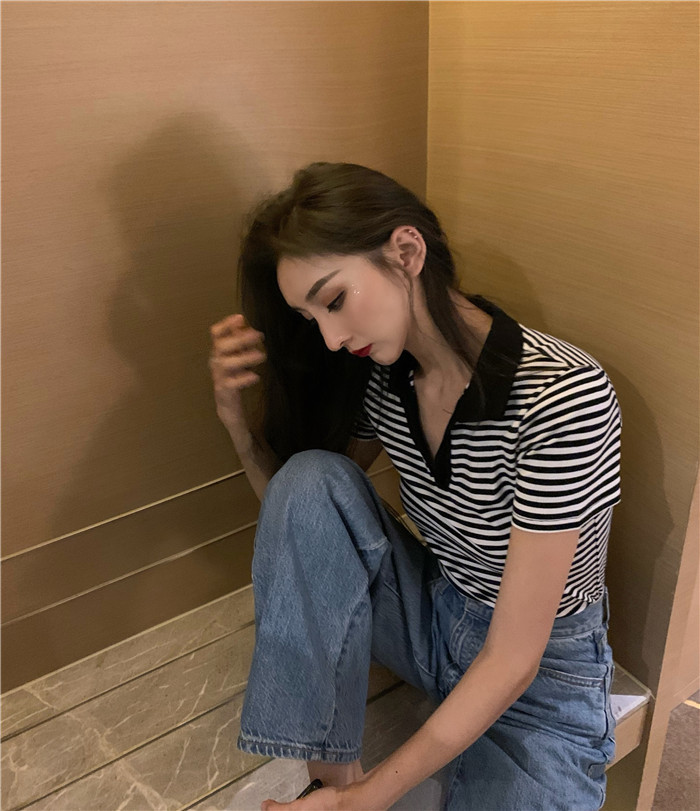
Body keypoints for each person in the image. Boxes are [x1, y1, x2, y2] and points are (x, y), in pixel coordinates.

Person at [208, 162, 620, 811]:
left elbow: (513, 658)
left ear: (406, 252)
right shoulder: (385, 378)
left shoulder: (562, 397)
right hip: (434, 618)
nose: (331, 338)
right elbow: (305, 517)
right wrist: (237, 426)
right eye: (310, 318)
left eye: (333, 300)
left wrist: (377, 794)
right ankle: (330, 779)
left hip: (541, 675)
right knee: (311, 475)